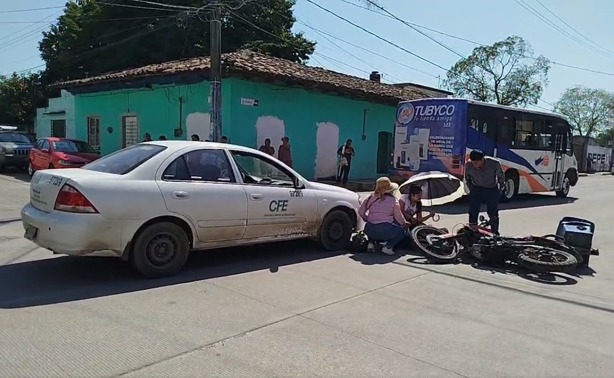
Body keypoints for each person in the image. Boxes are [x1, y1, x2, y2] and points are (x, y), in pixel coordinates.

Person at [359, 177, 410, 255]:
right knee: (401, 232)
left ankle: (371, 243)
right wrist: (404, 224)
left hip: (370, 229)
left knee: (369, 227)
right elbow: (398, 216)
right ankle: (388, 247)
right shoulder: (393, 200)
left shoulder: (369, 197)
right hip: (385, 230)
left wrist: (367, 219)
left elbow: (361, 212)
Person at [465, 150, 505, 234]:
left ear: (482, 159)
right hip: (476, 188)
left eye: (476, 162)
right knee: (473, 209)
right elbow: (467, 178)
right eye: (473, 162)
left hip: (491, 188)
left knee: (492, 211)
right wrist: (471, 189)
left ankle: (495, 232)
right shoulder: (468, 165)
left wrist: (500, 189)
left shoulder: (494, 163)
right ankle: (472, 230)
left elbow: (501, 177)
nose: (474, 165)